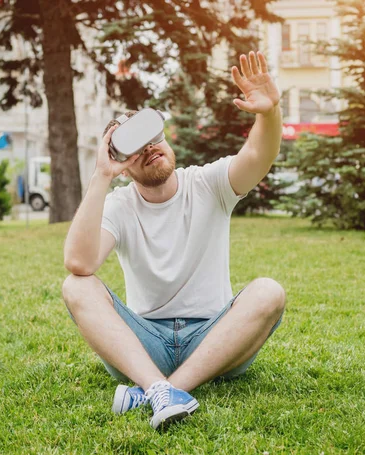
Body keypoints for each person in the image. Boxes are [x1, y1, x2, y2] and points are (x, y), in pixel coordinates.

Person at [62, 51, 285, 430]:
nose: (148, 148)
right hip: (144, 345)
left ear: (167, 140)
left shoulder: (209, 183)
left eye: (152, 138)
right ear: (123, 166)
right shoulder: (118, 204)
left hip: (213, 340)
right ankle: (159, 385)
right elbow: (80, 264)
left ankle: (157, 392)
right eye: (134, 149)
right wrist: (101, 175)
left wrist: (269, 113)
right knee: (75, 286)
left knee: (269, 291)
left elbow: (258, 155)